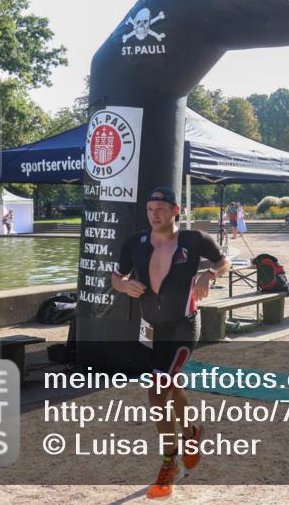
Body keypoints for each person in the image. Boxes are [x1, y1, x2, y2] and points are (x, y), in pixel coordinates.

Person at [111, 186, 230, 499]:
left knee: (158, 392)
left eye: (161, 209)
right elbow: (116, 277)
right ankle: (192, 432)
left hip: (182, 326)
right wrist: (124, 286)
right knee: (172, 387)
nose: (154, 215)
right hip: (150, 328)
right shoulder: (134, 244)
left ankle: (169, 464)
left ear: (175, 211)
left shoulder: (194, 240)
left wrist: (209, 275)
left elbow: (224, 261)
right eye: (150, 210)